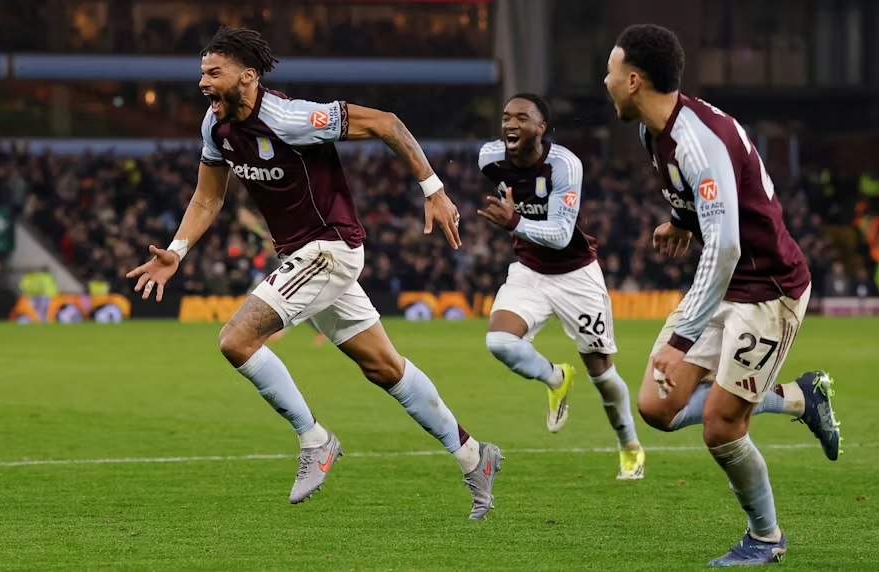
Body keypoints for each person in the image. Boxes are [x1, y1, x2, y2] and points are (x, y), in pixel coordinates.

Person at [126, 26, 502, 520]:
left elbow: (387, 123)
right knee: (384, 368)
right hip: (304, 257)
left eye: (214, 73)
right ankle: (475, 456)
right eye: (201, 73)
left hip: (330, 248)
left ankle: (315, 439)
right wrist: (177, 249)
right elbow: (207, 197)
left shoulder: (291, 117)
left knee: (236, 340)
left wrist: (433, 189)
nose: (203, 82)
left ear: (248, 76)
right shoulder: (215, 127)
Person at [604, 23, 841, 565]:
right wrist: (680, 219)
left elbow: (729, 244)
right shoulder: (652, 131)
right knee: (656, 407)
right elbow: (703, 201)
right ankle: (803, 398)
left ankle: (765, 538)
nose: (606, 79)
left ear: (635, 80)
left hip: (768, 291)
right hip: (725, 285)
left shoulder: (695, 140)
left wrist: (683, 336)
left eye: (612, 70)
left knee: (721, 425)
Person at [476, 93, 644, 480]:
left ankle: (629, 445)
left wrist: (515, 222)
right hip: (529, 272)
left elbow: (561, 232)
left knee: (601, 372)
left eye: (522, 117)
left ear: (542, 127)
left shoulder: (565, 165)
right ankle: (555, 377)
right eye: (505, 117)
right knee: (499, 342)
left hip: (576, 276)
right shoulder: (489, 159)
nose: (510, 123)